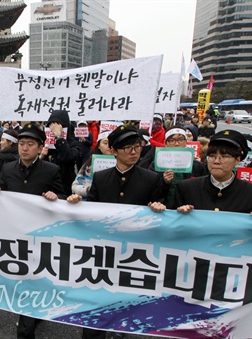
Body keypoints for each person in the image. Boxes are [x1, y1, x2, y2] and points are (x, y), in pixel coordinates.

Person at [67, 125, 166, 339]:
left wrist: (159, 207)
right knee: (95, 303)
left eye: (136, 147)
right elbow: (92, 209)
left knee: (124, 303)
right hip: (103, 251)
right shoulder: (101, 177)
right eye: (127, 148)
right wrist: (78, 203)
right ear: (113, 151)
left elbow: (161, 214)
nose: (133, 152)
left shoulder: (151, 178)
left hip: (133, 252)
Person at [0, 123, 66, 339]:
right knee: (23, 280)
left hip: (41, 237)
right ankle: (27, 324)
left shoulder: (51, 170)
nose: (24, 148)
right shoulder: (8, 168)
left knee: (37, 279)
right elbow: (2, 191)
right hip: (15, 236)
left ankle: (28, 325)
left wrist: (55, 197)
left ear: (40, 148)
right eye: (21, 144)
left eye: (30, 144)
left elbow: (63, 197)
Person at [174, 129, 252, 219]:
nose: (216, 161)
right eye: (212, 156)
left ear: (238, 159)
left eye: (224, 156)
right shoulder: (187, 188)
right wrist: (178, 213)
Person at [150, 127, 207, 209]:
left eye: (180, 140)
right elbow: (151, 191)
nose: (177, 144)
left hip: (188, 210)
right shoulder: (157, 165)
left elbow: (202, 191)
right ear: (166, 143)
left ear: (186, 142)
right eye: (172, 140)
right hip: (163, 210)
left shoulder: (197, 166)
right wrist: (164, 182)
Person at [44, 110, 84, 195]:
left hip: (65, 187)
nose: (53, 128)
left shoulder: (75, 143)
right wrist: (42, 155)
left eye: (57, 125)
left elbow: (68, 156)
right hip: (47, 186)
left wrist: (59, 137)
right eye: (51, 125)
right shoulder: (45, 143)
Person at [71, 131, 111, 199]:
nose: (109, 146)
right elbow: (74, 187)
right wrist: (88, 190)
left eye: (112, 143)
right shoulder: (89, 165)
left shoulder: (123, 164)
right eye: (105, 143)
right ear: (98, 146)